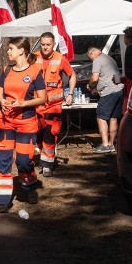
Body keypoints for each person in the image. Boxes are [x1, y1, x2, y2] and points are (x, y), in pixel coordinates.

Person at [0, 37, 47, 212]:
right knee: (3, 159)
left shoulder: (35, 72)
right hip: (5, 121)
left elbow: (42, 98)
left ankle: (29, 186)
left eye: (11, 49)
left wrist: (22, 104)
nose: (8, 52)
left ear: (21, 51)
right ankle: (3, 200)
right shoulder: (6, 70)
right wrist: (2, 101)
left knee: (24, 161)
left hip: (26, 122)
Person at [34, 32, 76, 177]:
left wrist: (70, 94)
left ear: (53, 45)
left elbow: (72, 75)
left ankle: (47, 165)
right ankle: (42, 157)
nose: (45, 47)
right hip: (37, 105)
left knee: (50, 134)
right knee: (37, 135)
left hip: (54, 106)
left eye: (48, 45)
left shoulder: (60, 58)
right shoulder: (33, 57)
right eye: (43, 44)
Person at [87, 47, 124, 154]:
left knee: (101, 118)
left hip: (108, 93)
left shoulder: (97, 60)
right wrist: (98, 89)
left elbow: (94, 78)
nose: (91, 60)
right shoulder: (110, 59)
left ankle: (105, 144)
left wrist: (91, 86)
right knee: (113, 118)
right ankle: (112, 144)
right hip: (118, 91)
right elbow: (115, 78)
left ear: (92, 53)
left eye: (90, 58)